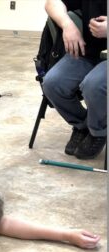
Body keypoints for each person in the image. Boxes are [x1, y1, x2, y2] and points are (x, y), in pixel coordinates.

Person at [42, 0, 107, 159]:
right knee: (53, 83)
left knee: (93, 85)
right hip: (89, 52)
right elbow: (52, 2)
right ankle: (83, 125)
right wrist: (67, 25)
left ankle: (98, 130)